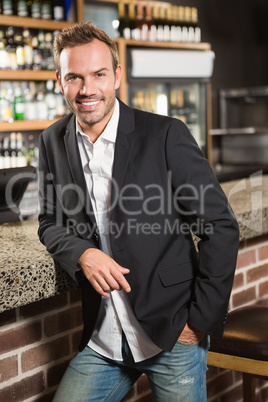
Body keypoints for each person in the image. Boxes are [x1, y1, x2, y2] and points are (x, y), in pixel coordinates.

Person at [38, 21, 239, 402]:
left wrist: (197, 324)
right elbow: (49, 222)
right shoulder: (52, 141)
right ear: (60, 81)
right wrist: (82, 253)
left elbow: (220, 226)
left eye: (98, 74)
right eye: (74, 78)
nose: (87, 89)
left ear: (116, 75)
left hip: (172, 331)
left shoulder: (164, 134)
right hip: (102, 336)